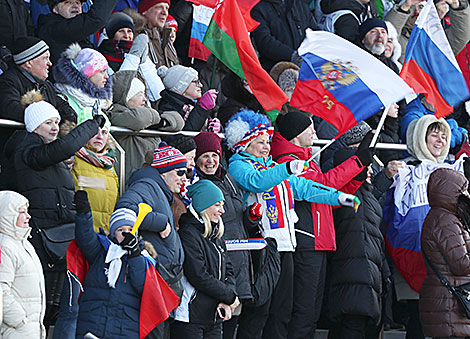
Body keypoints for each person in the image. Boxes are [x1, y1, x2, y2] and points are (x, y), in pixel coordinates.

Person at [225, 109, 361, 339]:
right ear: (245, 143)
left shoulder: (272, 167)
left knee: (281, 310)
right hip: (259, 247)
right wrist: (287, 168)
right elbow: (256, 183)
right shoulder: (239, 165)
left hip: (285, 246)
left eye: (268, 141)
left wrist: (340, 197)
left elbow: (307, 189)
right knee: (260, 311)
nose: (267, 147)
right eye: (260, 142)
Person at [0, 90, 105, 329]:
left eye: (57, 122)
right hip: (41, 235)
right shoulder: (28, 149)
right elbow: (66, 146)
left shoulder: (48, 152)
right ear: (35, 125)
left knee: (58, 307)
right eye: (48, 122)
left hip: (58, 236)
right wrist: (92, 125)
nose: (55, 127)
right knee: (44, 306)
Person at [269, 110, 371, 338]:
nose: (314, 131)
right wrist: (356, 162)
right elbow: (322, 187)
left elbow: (330, 197)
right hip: (306, 242)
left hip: (319, 242)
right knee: (303, 311)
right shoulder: (288, 163)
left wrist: (356, 179)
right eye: (309, 127)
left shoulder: (307, 161)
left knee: (311, 311)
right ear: (296, 135)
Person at [384, 114, 456, 338]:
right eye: (434, 135)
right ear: (419, 138)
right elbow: (389, 213)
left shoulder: (453, 172)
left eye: (444, 136)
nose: (440, 141)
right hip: (414, 253)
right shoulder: (404, 170)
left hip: (444, 258)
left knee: (443, 318)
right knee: (417, 316)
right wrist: (387, 177)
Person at [194, 131, 263, 339]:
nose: (210, 161)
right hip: (218, 264)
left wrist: (251, 217)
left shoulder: (229, 179)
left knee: (232, 325)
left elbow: (239, 217)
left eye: (214, 155)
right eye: (204, 156)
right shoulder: (194, 186)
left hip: (238, 263)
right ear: (196, 159)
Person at [115, 143, 186, 337]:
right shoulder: (147, 185)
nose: (184, 179)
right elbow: (125, 209)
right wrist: (161, 222)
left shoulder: (159, 189)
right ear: (164, 171)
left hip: (163, 279)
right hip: (153, 278)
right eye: (180, 172)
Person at [327, 148, 391, 338]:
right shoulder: (347, 197)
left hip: (363, 276)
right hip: (356, 276)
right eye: (366, 167)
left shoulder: (365, 195)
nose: (370, 171)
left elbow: (374, 237)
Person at [72, 192, 148, 338]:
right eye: (121, 230)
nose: (126, 234)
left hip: (125, 328)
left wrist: (134, 254)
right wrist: (84, 214)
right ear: (113, 232)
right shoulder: (102, 251)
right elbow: (85, 237)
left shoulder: (143, 257)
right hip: (93, 323)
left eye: (130, 230)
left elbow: (142, 285)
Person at [173, 179, 239, 338]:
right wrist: (229, 296)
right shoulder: (188, 234)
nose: (222, 210)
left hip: (214, 315)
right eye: (217, 205)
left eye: (222, 205)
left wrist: (229, 296)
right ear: (203, 206)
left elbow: (228, 269)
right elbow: (198, 275)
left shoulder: (215, 233)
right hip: (191, 317)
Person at [0, 36, 76, 167]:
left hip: (43, 154)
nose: (50, 63)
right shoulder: (8, 81)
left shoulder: (46, 86)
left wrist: (64, 139)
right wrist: (43, 116)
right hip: (18, 158)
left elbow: (66, 110)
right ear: (28, 62)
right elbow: (10, 108)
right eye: (45, 58)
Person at [420, 168, 470, 338]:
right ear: (449, 192)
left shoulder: (443, 217)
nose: (467, 195)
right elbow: (461, 264)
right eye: (463, 190)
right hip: (450, 306)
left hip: (448, 305)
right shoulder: (445, 221)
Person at [109, 70, 183, 181]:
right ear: (126, 97)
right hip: (132, 182)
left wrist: (159, 122)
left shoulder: (150, 115)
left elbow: (179, 121)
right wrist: (160, 121)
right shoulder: (115, 113)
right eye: (139, 95)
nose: (144, 99)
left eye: (144, 94)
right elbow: (139, 119)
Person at [0, 191, 46, 339]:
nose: (28, 216)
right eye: (22, 212)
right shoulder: (5, 247)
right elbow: (1, 289)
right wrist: (20, 321)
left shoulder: (24, 244)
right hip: (16, 330)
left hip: (29, 328)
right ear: (7, 215)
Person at [385, 0, 470, 63]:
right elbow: (389, 31)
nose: (417, 12)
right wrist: (405, 6)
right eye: (412, 7)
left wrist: (457, 6)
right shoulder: (396, 37)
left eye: (422, 8)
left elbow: (460, 37)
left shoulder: (434, 40)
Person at [71, 122, 119, 233]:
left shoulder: (109, 163)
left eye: (104, 132)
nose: (99, 137)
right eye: (94, 132)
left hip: (105, 236)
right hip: (80, 234)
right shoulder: (72, 158)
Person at [37, 0, 119, 64]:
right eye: (68, 2)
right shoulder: (52, 28)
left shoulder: (80, 31)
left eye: (78, 2)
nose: (75, 6)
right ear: (55, 9)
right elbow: (96, 19)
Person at [250, 0, 318, 70]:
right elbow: (264, 42)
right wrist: (292, 56)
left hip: (306, 67)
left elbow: (315, 33)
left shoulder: (299, 3)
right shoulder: (258, 9)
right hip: (276, 71)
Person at [54, 44, 113, 123]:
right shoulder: (64, 100)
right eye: (102, 71)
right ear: (86, 73)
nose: (107, 76)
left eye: (106, 71)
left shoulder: (102, 103)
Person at [157, 64, 221, 132]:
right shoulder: (168, 107)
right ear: (182, 86)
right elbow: (188, 132)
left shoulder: (191, 105)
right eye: (196, 81)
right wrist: (203, 108)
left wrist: (215, 126)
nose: (201, 85)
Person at [125, 0, 179, 68]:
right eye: (159, 7)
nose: (164, 12)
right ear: (144, 11)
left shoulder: (165, 35)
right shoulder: (133, 36)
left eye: (167, 8)